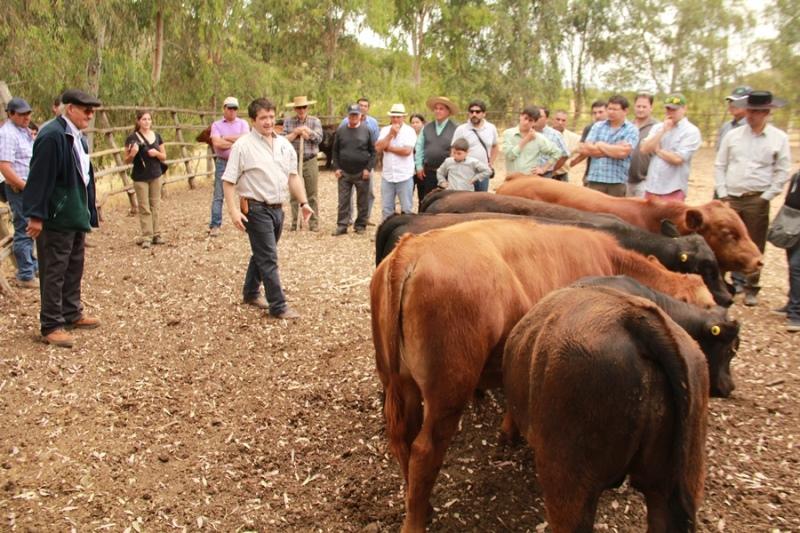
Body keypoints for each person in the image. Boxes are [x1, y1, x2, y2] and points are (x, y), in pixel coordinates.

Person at [22, 89, 102, 348]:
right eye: (86, 110)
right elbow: (40, 177)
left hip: (74, 214)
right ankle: (51, 324)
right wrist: (36, 215)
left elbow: (84, 175)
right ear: (70, 109)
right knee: (54, 269)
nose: (90, 115)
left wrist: (89, 209)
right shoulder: (52, 135)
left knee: (73, 265)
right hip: (57, 217)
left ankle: (71, 312)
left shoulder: (76, 137)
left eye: (92, 111)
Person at [222, 97, 313, 320]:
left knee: (262, 253)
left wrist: (303, 203)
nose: (268, 121)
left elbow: (293, 177)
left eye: (271, 117)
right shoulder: (243, 146)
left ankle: (251, 292)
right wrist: (233, 211)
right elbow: (228, 181)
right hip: (255, 208)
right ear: (253, 120)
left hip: (277, 208)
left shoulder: (284, 145)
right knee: (269, 257)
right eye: (263, 118)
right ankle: (278, 305)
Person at [715, 90, 792, 306]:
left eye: (757, 112)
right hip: (731, 196)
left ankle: (751, 286)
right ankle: (722, 283)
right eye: (750, 111)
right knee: (724, 239)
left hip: (756, 198)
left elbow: (782, 169)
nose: (752, 116)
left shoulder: (778, 138)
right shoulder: (733, 136)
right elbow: (721, 164)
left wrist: (767, 196)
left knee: (754, 242)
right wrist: (722, 193)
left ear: (766, 112)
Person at [0, 97, 38, 288]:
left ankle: (32, 267)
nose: (26, 117)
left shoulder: (22, 131)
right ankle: (25, 274)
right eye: (22, 114)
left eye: (28, 113)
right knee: (24, 227)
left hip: (28, 187)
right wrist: (24, 186)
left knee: (32, 226)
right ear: (11, 114)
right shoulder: (7, 134)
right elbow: (5, 168)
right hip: (19, 188)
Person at [640, 94, 701, 202]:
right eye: (668, 109)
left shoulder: (691, 131)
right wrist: (663, 131)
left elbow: (677, 159)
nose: (670, 112)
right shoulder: (658, 127)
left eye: (674, 109)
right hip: (652, 187)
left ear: (684, 109)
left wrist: (658, 150)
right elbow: (644, 149)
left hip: (673, 188)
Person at [578, 95, 639, 197]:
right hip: (595, 179)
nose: (611, 112)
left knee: (615, 211)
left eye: (615, 109)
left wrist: (600, 144)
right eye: (609, 108)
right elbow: (586, 149)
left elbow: (622, 153)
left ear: (625, 111)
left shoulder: (631, 130)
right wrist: (614, 148)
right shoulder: (598, 126)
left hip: (617, 182)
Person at [124, 110, 167, 248]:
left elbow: (164, 156)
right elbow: (126, 160)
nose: (147, 122)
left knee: (156, 205)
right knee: (144, 207)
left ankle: (156, 234)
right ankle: (147, 236)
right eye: (144, 119)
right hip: (140, 176)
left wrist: (156, 153)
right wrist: (133, 153)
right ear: (138, 121)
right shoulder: (132, 138)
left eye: (149, 119)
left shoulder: (157, 136)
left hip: (156, 174)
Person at [332, 104, 376, 236]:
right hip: (344, 172)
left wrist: (368, 168)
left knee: (362, 200)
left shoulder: (367, 130)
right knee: (343, 200)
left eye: (356, 115)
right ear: (348, 115)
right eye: (351, 115)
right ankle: (342, 225)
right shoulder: (341, 130)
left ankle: (360, 225)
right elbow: (335, 150)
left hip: (361, 172)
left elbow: (373, 152)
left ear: (360, 116)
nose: (353, 117)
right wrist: (337, 167)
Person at [208, 96, 249, 237]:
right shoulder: (216, 125)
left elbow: (246, 139)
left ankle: (247, 222)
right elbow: (217, 144)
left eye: (234, 108)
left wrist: (225, 138)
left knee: (246, 193)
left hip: (241, 162)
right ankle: (215, 224)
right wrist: (236, 140)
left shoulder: (243, 123)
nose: (232, 111)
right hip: (223, 162)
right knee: (219, 194)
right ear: (224, 108)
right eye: (229, 108)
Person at [284, 96, 323, 231]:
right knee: (294, 194)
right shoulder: (289, 122)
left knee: (312, 193)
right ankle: (295, 223)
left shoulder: (315, 121)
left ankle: (313, 223)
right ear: (295, 108)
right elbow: (283, 140)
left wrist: (309, 133)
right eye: (298, 107)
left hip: (310, 160)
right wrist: (295, 133)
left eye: (304, 107)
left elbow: (319, 139)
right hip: (293, 161)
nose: (301, 110)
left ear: (307, 108)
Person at [339, 97, 379, 220]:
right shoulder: (344, 123)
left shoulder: (372, 123)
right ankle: (348, 218)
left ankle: (364, 218)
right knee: (347, 195)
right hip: (348, 167)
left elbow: (375, 144)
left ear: (367, 108)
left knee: (368, 193)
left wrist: (370, 165)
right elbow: (339, 144)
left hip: (365, 165)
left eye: (365, 106)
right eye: (360, 105)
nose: (362, 107)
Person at [376, 104, 417, 221]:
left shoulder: (409, 131)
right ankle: (387, 235)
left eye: (398, 117)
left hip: (404, 176)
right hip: (388, 176)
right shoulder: (385, 130)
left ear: (403, 117)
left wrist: (388, 148)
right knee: (387, 209)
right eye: (393, 116)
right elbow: (378, 147)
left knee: (407, 208)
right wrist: (390, 135)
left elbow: (407, 151)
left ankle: (405, 234)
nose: (395, 119)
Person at [414, 96, 458, 203]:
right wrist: (419, 166)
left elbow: (458, 149)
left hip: (448, 173)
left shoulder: (456, 128)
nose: (438, 111)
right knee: (426, 200)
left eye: (441, 109)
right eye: (436, 108)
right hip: (428, 171)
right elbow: (419, 147)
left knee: (446, 201)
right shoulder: (427, 127)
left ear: (448, 111)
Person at [772, 169, 800, 332]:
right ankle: (792, 303)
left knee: (797, 266)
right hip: (793, 222)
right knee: (792, 263)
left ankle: (796, 314)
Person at [451, 99, 498, 191]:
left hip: (483, 171)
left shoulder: (491, 128)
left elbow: (495, 146)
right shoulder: (461, 129)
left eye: (478, 112)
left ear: (484, 114)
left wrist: (490, 163)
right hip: (465, 172)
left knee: (481, 201)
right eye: (471, 112)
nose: (474, 114)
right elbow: (453, 150)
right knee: (464, 201)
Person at [502, 105, 562, 175]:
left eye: (530, 120)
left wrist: (543, 169)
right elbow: (510, 156)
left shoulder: (538, 138)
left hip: (530, 180)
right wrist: (527, 139)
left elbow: (557, 152)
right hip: (512, 179)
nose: (526, 122)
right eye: (525, 118)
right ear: (520, 116)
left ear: (535, 122)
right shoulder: (508, 133)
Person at [626, 93, 659, 197]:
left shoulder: (657, 127)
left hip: (645, 180)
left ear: (651, 108)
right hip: (625, 178)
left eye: (644, 107)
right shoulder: (627, 126)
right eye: (638, 106)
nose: (640, 109)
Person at [570, 100, 607, 181]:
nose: (597, 115)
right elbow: (583, 149)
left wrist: (593, 148)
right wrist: (574, 162)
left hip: (610, 175)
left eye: (601, 112)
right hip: (591, 172)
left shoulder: (616, 128)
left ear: (607, 112)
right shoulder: (589, 128)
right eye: (595, 113)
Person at [533, 107, 570, 179]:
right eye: (534, 115)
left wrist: (547, 169)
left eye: (540, 116)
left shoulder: (555, 135)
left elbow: (565, 155)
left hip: (544, 175)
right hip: (526, 174)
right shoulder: (526, 132)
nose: (536, 118)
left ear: (547, 119)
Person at [716, 86, 752, 152]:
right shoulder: (726, 126)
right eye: (731, 101)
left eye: (739, 101)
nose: (733, 104)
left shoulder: (754, 127)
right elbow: (720, 152)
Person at [551, 109, 581, 181]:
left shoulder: (573, 137)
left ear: (567, 122)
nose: (560, 122)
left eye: (563, 120)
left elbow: (585, 150)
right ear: (552, 120)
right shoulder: (545, 133)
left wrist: (573, 162)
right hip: (544, 175)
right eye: (558, 119)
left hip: (562, 176)